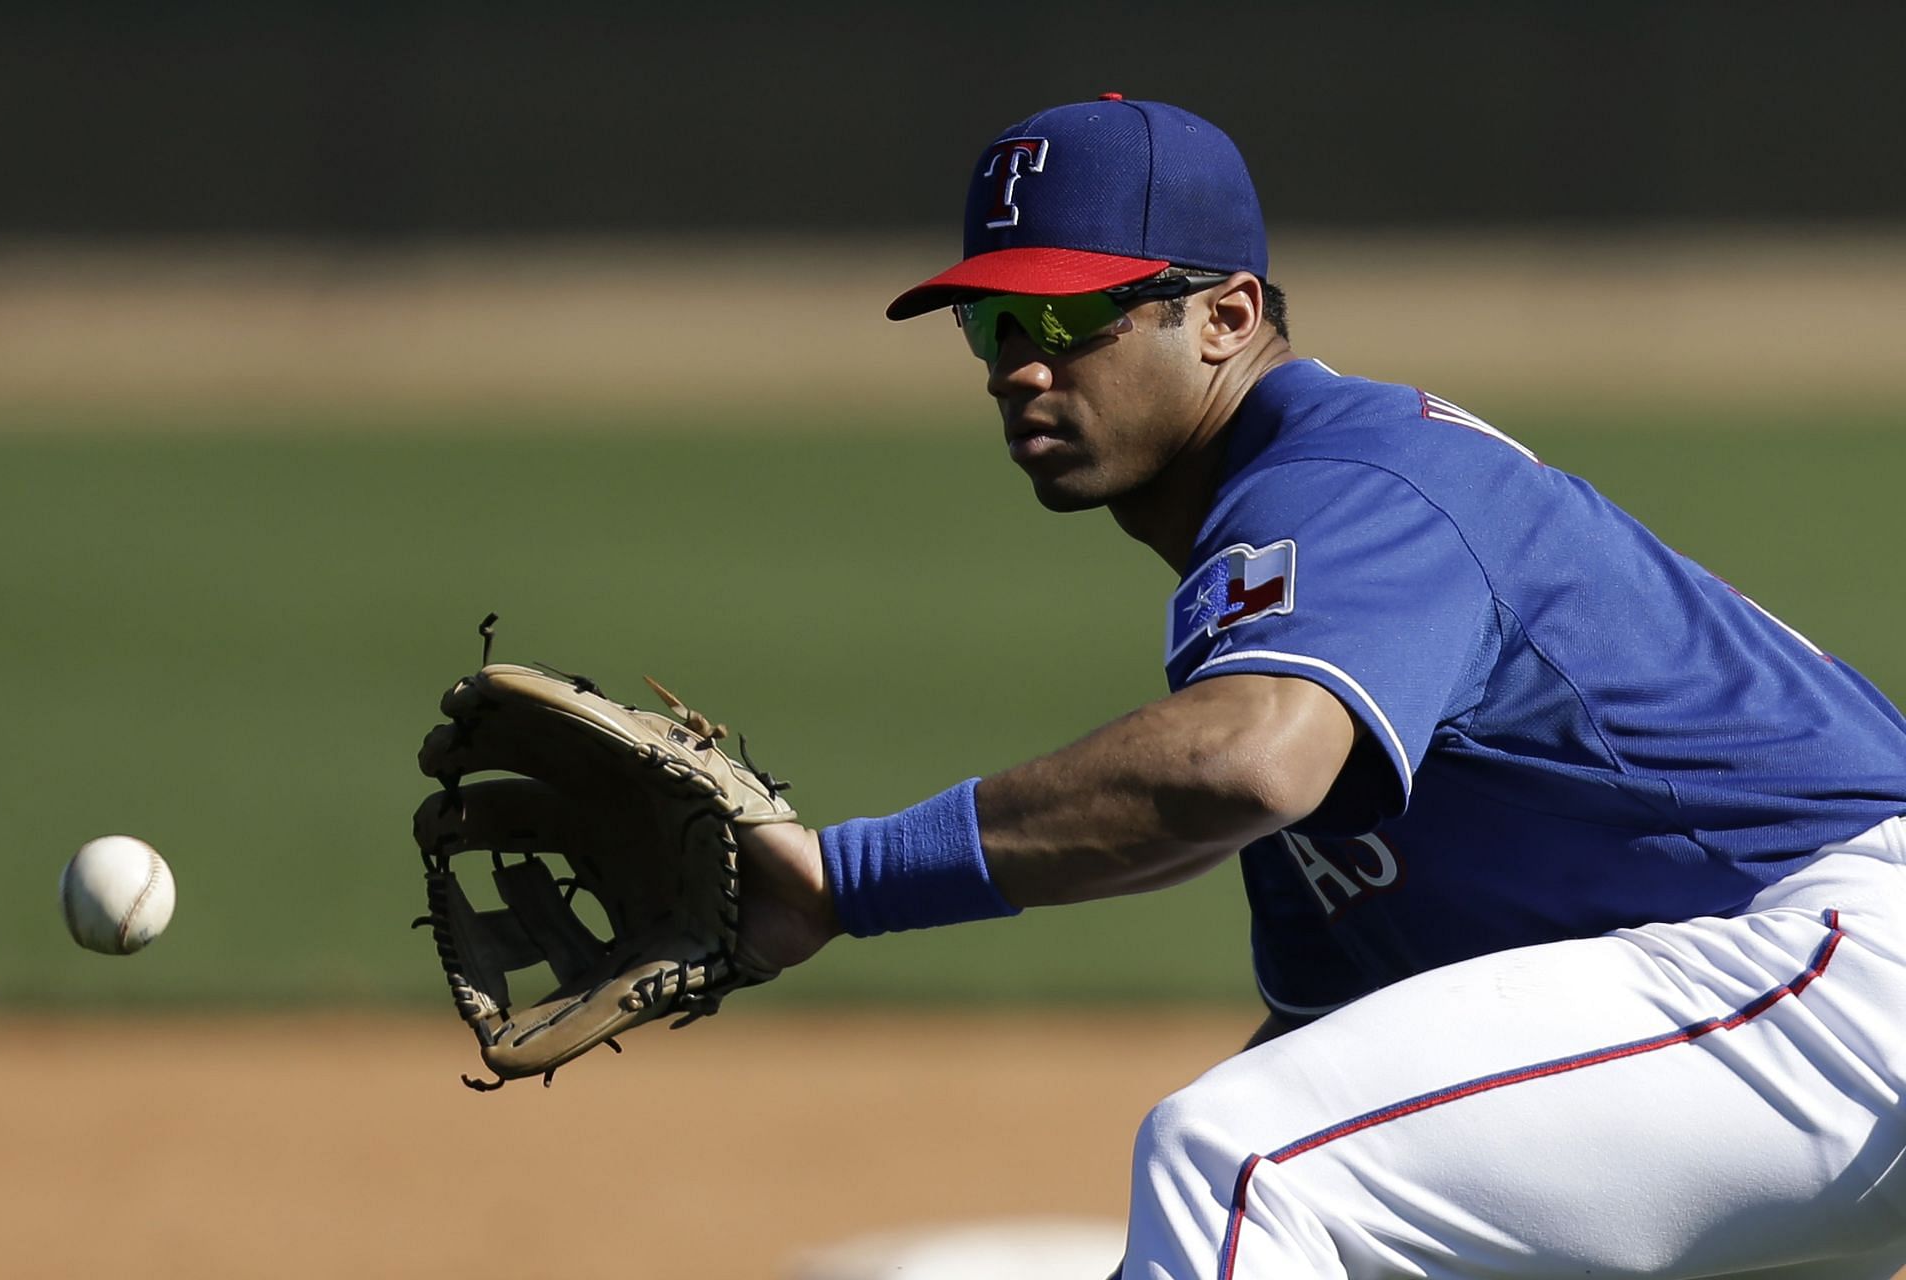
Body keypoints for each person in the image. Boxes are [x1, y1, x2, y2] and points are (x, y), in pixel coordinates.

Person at [734, 95, 1906, 1278]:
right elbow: (1331, 1027)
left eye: (1068, 311)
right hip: (1778, 1019)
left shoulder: (1351, 480)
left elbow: (1238, 761)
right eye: (991, 322)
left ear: (1225, 315)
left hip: (1845, 971)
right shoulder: (1277, 588)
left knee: (1238, 1161)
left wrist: (843, 881)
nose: (1018, 366)